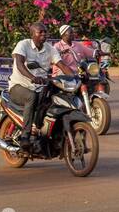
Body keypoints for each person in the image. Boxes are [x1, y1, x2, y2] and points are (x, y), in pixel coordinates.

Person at [7, 21, 73, 149]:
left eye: (45, 31)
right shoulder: (23, 45)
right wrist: (33, 78)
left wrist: (74, 77)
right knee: (31, 97)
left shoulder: (50, 48)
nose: (44, 34)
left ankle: (43, 130)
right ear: (32, 34)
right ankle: (25, 136)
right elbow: (20, 64)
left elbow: (62, 65)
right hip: (19, 86)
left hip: (41, 86)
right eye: (40, 32)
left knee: (56, 98)